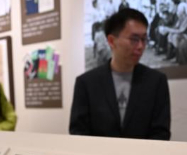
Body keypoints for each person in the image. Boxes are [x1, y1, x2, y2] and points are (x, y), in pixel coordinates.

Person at [69, 8, 171, 140]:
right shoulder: (86, 83)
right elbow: (78, 133)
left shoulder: (156, 81)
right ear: (111, 41)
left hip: (143, 154)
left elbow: (161, 133)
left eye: (144, 39)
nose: (140, 46)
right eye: (134, 39)